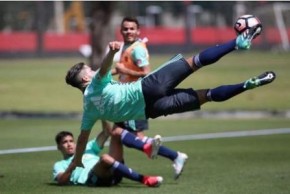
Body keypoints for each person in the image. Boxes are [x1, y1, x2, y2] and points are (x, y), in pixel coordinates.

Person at [65, 25, 276, 169]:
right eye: (88, 70)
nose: (92, 70)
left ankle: (245, 85)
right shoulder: (95, 82)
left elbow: (83, 138)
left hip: (153, 109)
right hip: (148, 88)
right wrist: (111, 53)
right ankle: (238, 43)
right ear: (84, 80)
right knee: (196, 62)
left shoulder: (88, 109)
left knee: (207, 96)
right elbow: (103, 69)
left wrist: (76, 161)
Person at [111, 16, 188, 180]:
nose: (128, 31)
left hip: (134, 100)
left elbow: (146, 73)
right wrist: (99, 75)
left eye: (132, 28)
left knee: (133, 137)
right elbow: (122, 70)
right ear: (121, 31)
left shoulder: (138, 49)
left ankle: (175, 156)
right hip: (124, 98)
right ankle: (117, 171)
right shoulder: (127, 47)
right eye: (125, 29)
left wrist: (124, 71)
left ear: (138, 31)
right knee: (116, 134)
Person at [53, 120, 163, 187]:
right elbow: (61, 181)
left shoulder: (87, 148)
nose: (69, 144)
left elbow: (107, 133)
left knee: (117, 131)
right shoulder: (59, 164)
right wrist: (73, 165)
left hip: (112, 171)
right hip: (93, 179)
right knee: (105, 158)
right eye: (65, 142)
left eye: (71, 141)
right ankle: (145, 179)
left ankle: (146, 148)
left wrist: (102, 115)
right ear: (59, 147)